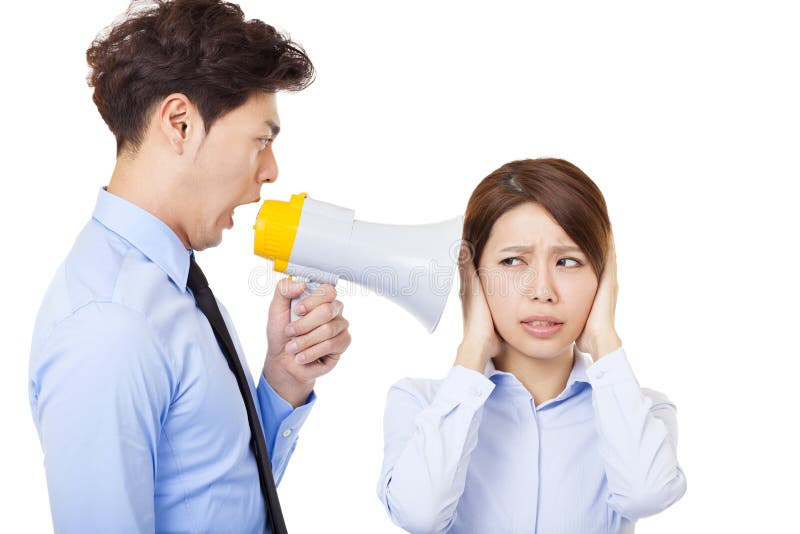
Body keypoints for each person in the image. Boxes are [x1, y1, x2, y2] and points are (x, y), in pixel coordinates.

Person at [28, 1, 351, 532]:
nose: (271, 172)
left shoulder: (168, 287)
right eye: (262, 140)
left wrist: (282, 379)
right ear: (180, 123)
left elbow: (217, 491)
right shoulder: (111, 324)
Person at [377, 158, 687, 533]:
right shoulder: (421, 403)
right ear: (472, 273)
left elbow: (646, 495)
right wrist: (473, 347)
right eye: (512, 261)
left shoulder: (641, 411)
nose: (542, 291)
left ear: (604, 276)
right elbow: (420, 515)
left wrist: (605, 338)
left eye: (569, 261)